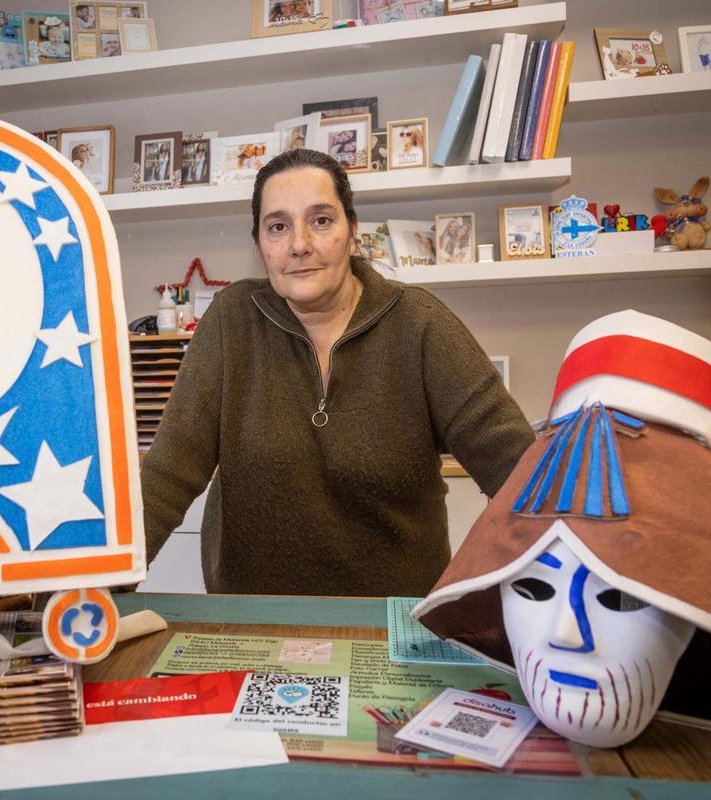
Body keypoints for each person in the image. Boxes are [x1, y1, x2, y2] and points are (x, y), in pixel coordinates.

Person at [141, 149, 534, 597]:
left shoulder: (421, 324)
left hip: (393, 620)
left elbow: (522, 476)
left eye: (322, 220)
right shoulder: (231, 320)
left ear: (352, 232)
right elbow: (169, 472)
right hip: (251, 617)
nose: (300, 244)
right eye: (278, 227)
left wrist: (503, 601)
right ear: (260, 245)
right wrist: (104, 582)